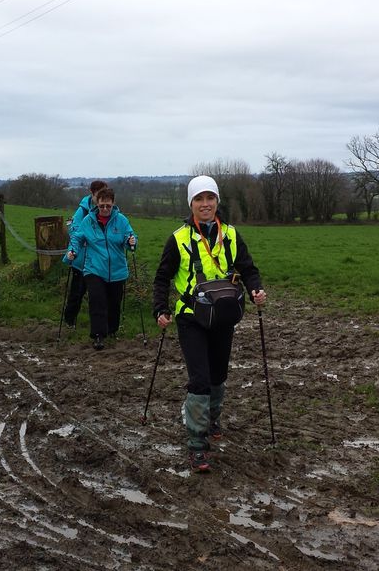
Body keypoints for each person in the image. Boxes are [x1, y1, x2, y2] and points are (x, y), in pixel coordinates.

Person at [152, 175, 266, 473]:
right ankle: (197, 444)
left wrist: (256, 289)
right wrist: (160, 308)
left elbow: (248, 268)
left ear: (217, 201)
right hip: (191, 318)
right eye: (199, 199)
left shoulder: (230, 234)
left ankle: (213, 417)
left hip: (224, 315)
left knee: (218, 375)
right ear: (191, 204)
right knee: (200, 380)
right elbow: (162, 278)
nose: (205, 204)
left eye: (210, 198)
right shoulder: (178, 238)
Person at [66, 187, 137, 350]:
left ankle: (112, 330)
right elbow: (77, 237)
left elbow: (129, 236)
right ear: (96, 204)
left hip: (117, 270)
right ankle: (98, 335)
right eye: (102, 206)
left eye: (108, 206)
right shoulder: (88, 221)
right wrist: (72, 251)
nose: (105, 209)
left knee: (114, 302)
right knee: (97, 300)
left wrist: (131, 241)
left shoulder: (121, 220)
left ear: (113, 204)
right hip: (94, 268)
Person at [62, 180, 106, 327]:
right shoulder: (83, 210)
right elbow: (73, 228)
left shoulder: (104, 208)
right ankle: (69, 321)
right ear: (92, 193)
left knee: (99, 294)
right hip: (81, 259)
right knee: (77, 292)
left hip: (98, 259)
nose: (101, 197)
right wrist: (85, 238)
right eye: (99, 194)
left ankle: (100, 323)